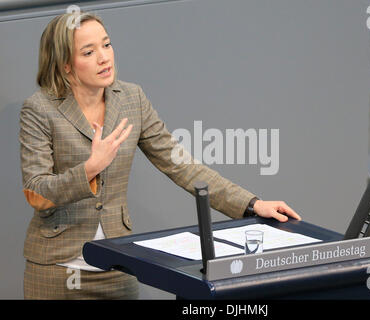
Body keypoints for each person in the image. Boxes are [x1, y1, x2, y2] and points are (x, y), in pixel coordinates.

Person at [20, 11, 301, 300]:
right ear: (66, 65)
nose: (104, 57)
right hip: (57, 272)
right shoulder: (40, 109)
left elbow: (182, 165)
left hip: (116, 268)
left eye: (107, 45)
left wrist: (252, 205)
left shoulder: (131, 99)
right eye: (89, 52)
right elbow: (37, 192)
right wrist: (90, 168)